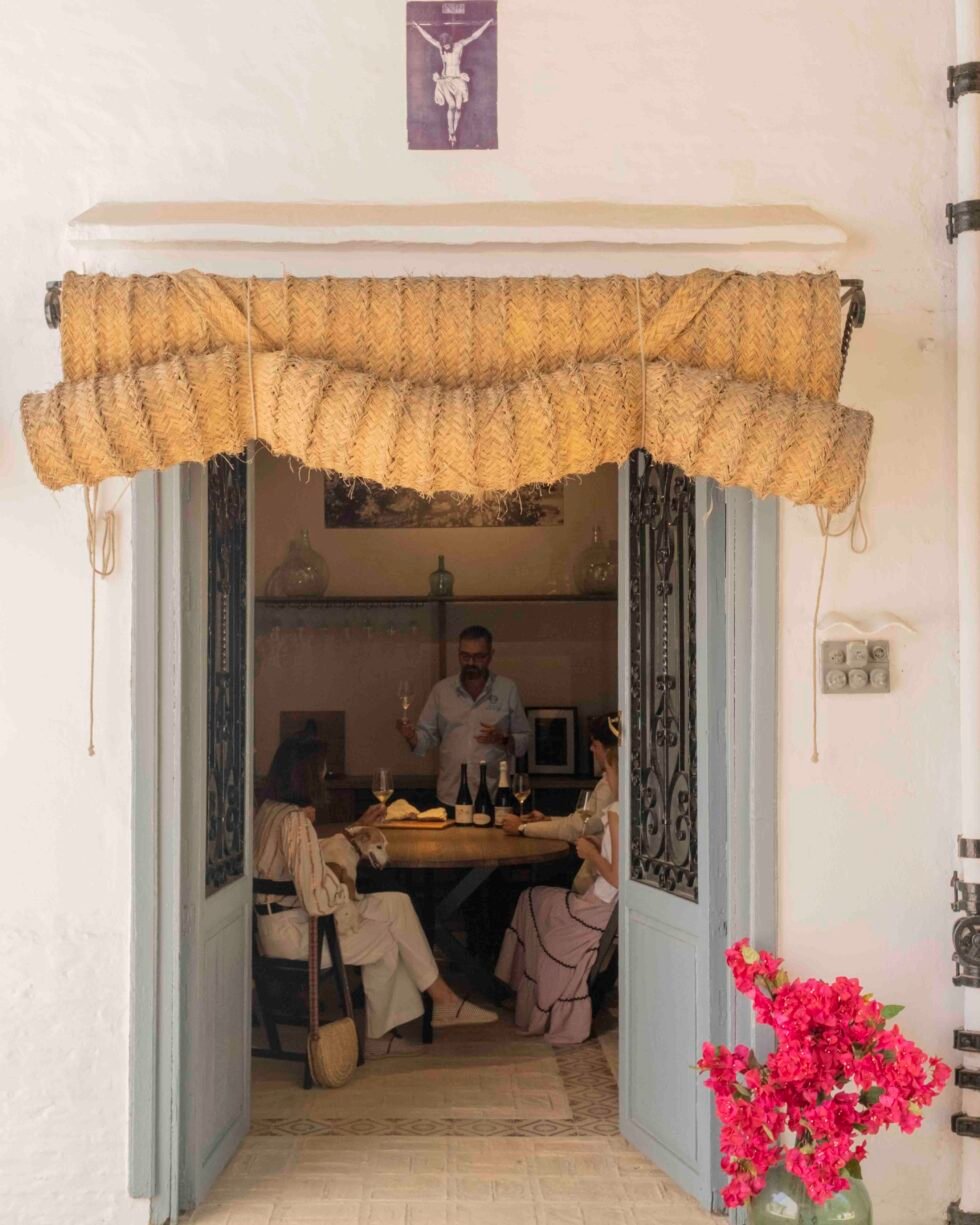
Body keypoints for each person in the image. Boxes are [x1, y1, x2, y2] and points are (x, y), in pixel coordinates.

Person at [255, 736, 496, 1058]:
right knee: (388, 938)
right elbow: (318, 899)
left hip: (278, 926)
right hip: (296, 935)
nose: (325, 774)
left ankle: (443, 1002)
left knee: (397, 902)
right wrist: (346, 888)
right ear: (307, 773)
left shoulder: (271, 811)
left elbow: (302, 860)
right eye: (322, 769)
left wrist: (355, 830)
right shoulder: (295, 821)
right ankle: (391, 1030)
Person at [495, 746, 620, 1046]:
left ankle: (517, 994)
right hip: (605, 904)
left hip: (598, 908)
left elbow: (618, 877)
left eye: (607, 772)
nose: (605, 778)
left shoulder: (617, 811)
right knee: (532, 898)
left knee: (530, 899)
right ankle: (520, 993)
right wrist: (598, 845)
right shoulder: (635, 809)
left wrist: (591, 853)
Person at [397, 625, 530, 808]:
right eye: (465, 656)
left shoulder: (507, 689)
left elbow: (524, 741)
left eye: (479, 657)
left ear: (491, 655)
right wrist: (411, 737)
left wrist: (503, 739)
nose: (471, 663)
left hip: (494, 796)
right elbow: (424, 740)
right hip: (451, 795)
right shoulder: (442, 691)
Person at [501, 711, 619, 897]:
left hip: (594, 890)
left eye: (595, 744)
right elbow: (581, 823)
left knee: (529, 896)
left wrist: (523, 828)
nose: (591, 749)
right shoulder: (609, 781)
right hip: (595, 887)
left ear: (610, 749)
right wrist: (545, 820)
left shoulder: (611, 785)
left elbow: (579, 827)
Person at [410, 17, 494, 147]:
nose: (445, 47)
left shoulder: (459, 45)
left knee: (459, 108)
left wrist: (487, 24)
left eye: (447, 45)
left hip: (458, 80)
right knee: (452, 106)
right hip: (445, 81)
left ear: (451, 42)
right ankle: (451, 133)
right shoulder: (441, 47)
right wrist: (418, 26)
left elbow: (474, 36)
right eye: (443, 46)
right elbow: (429, 38)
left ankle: (454, 131)